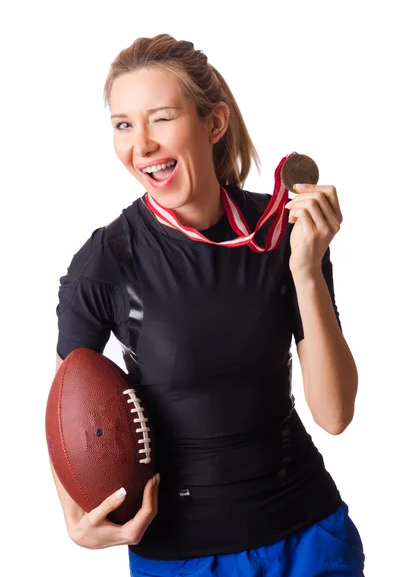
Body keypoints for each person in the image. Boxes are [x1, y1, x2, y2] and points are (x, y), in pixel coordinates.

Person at [50, 34, 365, 576]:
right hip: (184, 555)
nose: (142, 145)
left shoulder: (283, 230)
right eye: (124, 124)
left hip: (310, 538)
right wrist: (74, 514)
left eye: (162, 118)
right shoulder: (108, 258)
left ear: (214, 124)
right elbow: (65, 406)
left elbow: (334, 415)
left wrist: (306, 269)